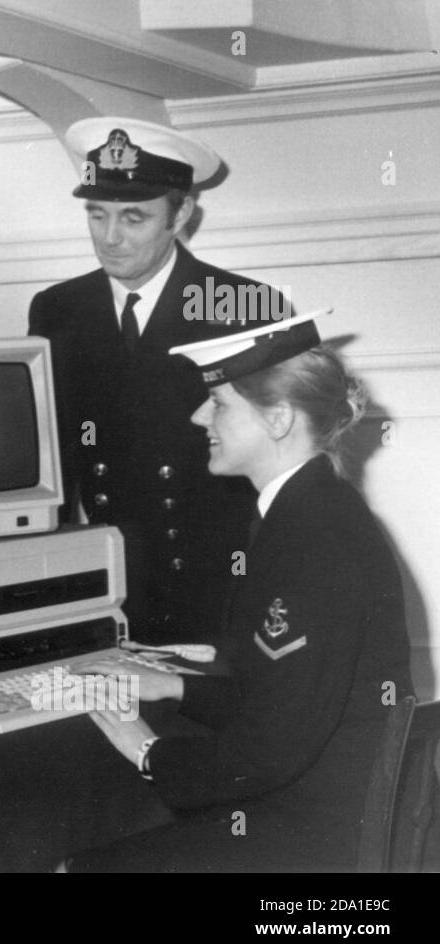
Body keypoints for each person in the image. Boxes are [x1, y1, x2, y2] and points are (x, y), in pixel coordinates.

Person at [68, 312, 413, 872]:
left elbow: (269, 750)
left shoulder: (312, 539)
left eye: (220, 402)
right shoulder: (308, 509)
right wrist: (173, 687)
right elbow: (283, 698)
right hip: (326, 809)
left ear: (277, 419)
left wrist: (149, 752)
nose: (199, 414)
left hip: (320, 846)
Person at [29, 118, 289, 644]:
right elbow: (52, 452)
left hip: (220, 577)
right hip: (112, 577)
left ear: (182, 214)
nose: (110, 238)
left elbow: (279, 454)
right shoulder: (58, 308)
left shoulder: (242, 304)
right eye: (97, 215)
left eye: (134, 218)